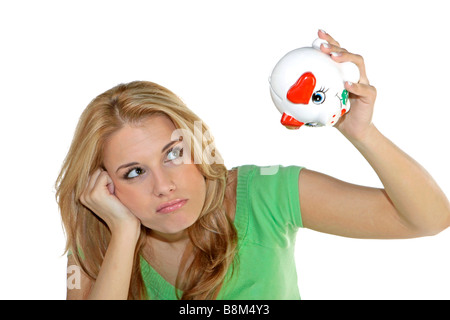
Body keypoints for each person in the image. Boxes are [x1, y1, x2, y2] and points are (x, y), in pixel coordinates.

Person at [56, 30, 450, 300]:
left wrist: (362, 132)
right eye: (134, 172)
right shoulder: (96, 239)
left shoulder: (265, 194)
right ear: (104, 185)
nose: (164, 186)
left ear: (198, 145)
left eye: (174, 153)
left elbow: (430, 219)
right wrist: (123, 232)